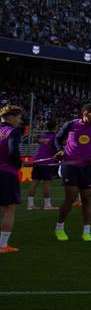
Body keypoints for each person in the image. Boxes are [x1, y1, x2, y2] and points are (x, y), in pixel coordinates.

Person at [53, 103, 91, 242]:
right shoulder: (71, 124)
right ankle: (59, 228)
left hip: (87, 167)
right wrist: (59, 150)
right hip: (70, 165)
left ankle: (86, 231)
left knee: (86, 198)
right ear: (84, 113)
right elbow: (57, 139)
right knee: (71, 196)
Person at [0, 105, 24, 253]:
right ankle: (2, 245)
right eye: (18, 117)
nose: (20, 120)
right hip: (6, 173)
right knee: (9, 210)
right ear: (11, 117)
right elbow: (13, 151)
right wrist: (19, 164)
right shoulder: (13, 131)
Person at [26, 120, 57, 210]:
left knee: (34, 183)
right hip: (47, 162)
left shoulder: (43, 136)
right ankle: (47, 205)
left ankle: (30, 205)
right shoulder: (55, 137)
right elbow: (56, 148)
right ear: (55, 127)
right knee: (47, 183)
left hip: (37, 161)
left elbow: (39, 141)